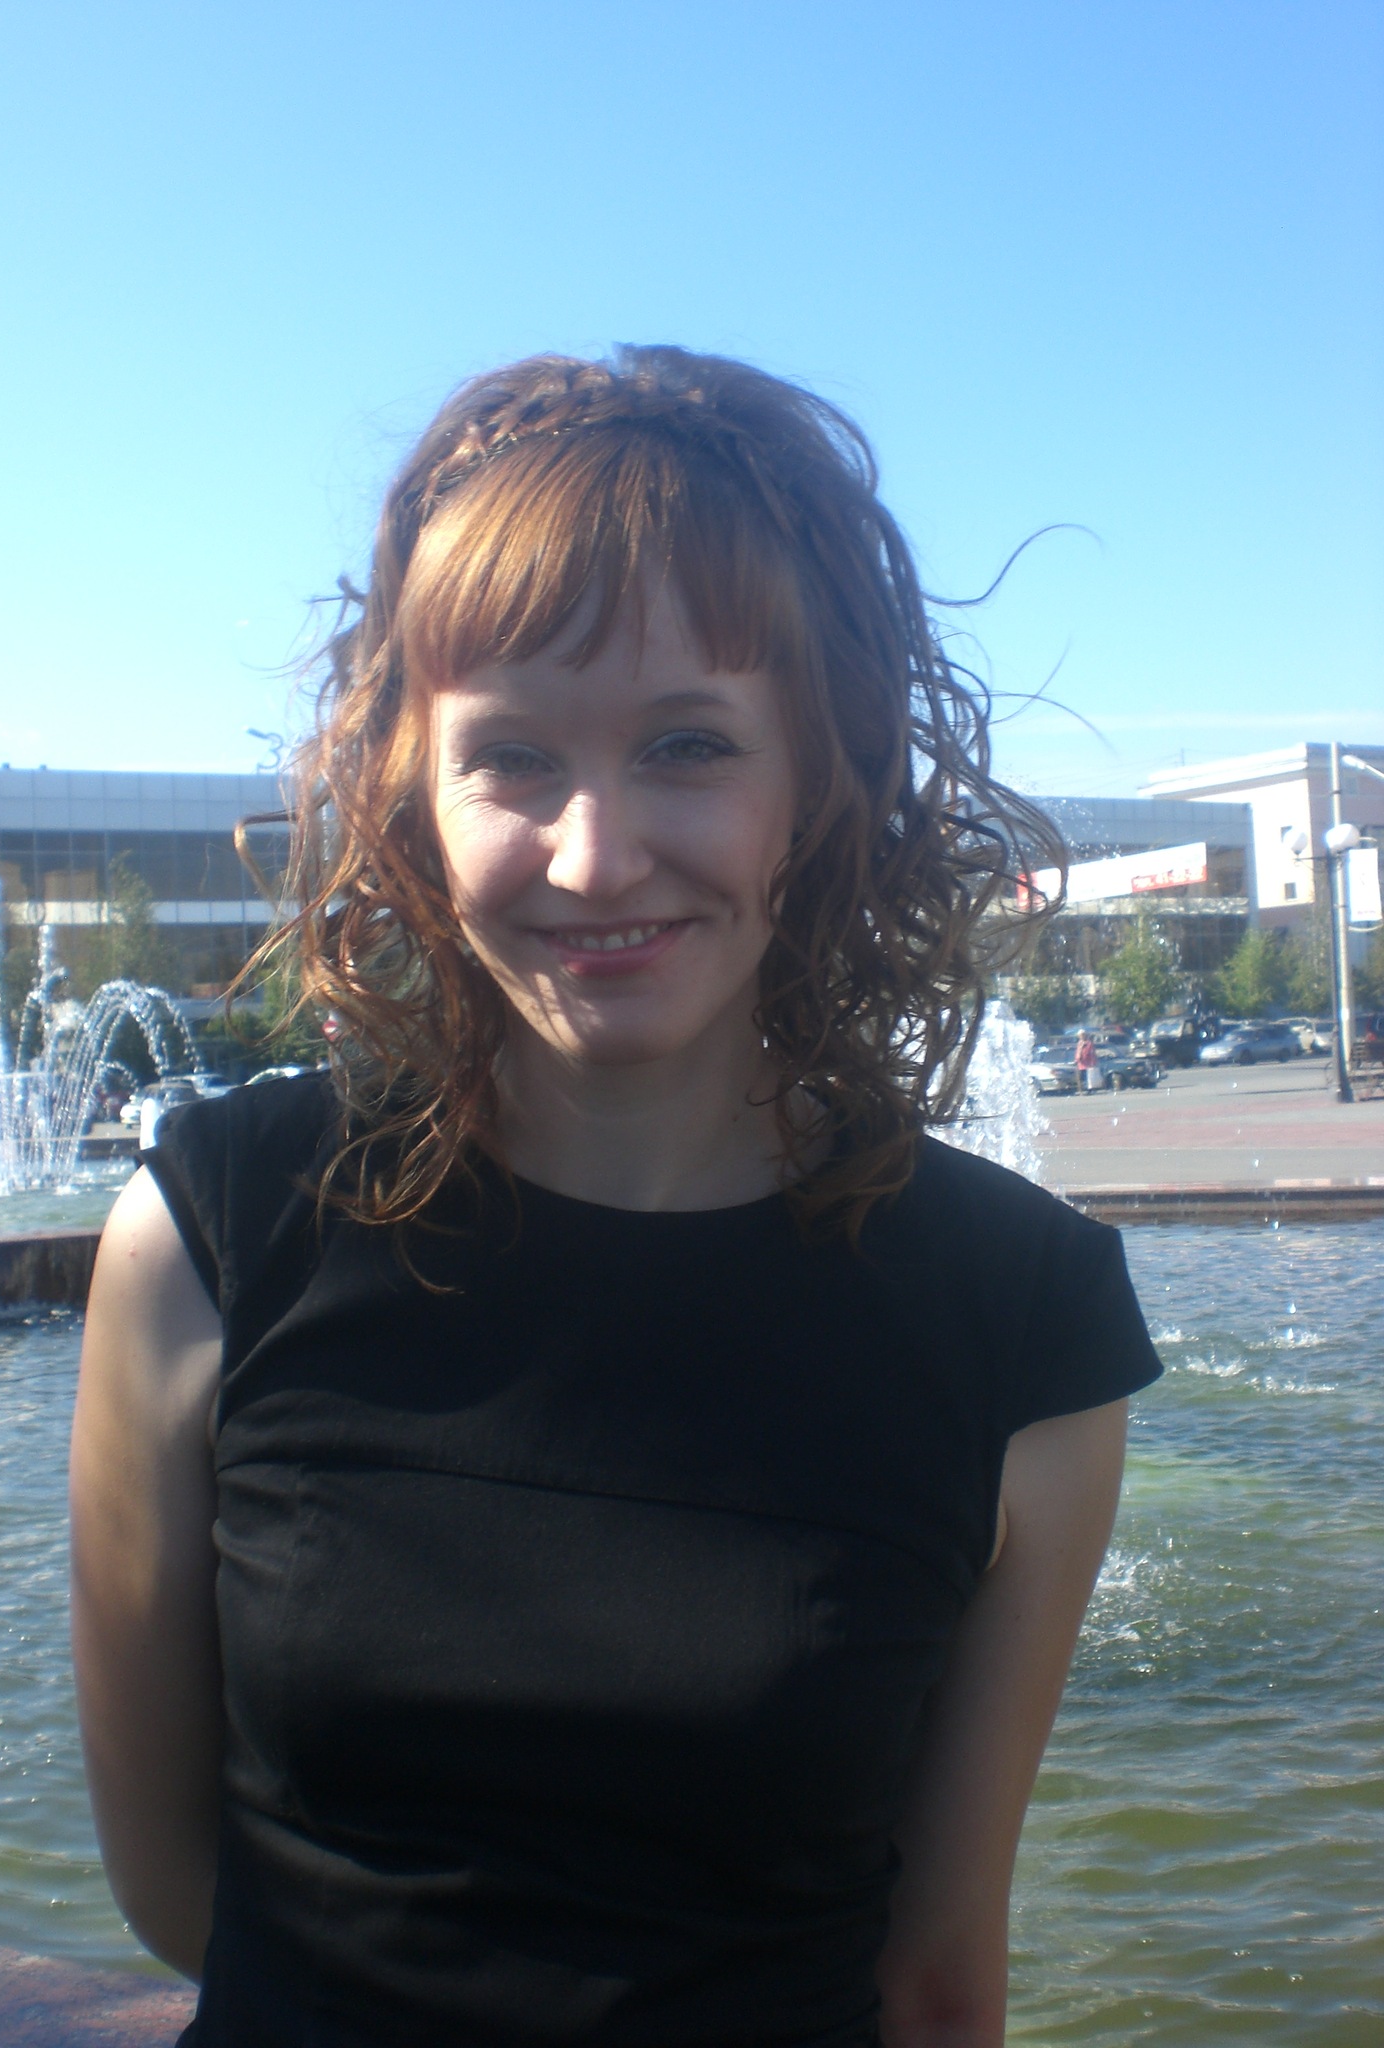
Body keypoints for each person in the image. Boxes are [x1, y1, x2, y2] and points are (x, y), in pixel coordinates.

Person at [71, 347, 1162, 2048]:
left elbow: (939, 1983)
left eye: (686, 743)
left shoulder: (1024, 1323)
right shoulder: (214, 1236)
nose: (594, 856)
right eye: (510, 757)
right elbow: (171, 1883)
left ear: (817, 781)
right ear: (414, 795)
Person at [1074, 1030, 1103, 1094]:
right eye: (1080, 1035)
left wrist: (1093, 1062)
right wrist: (1076, 1060)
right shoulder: (1079, 1043)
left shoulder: (1089, 1043)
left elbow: (1092, 1053)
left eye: (1083, 1035)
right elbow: (1077, 1052)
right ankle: (1082, 1090)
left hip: (1088, 1063)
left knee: (1089, 1077)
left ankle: (1089, 1089)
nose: (1081, 1036)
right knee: (1081, 1077)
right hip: (1080, 1063)